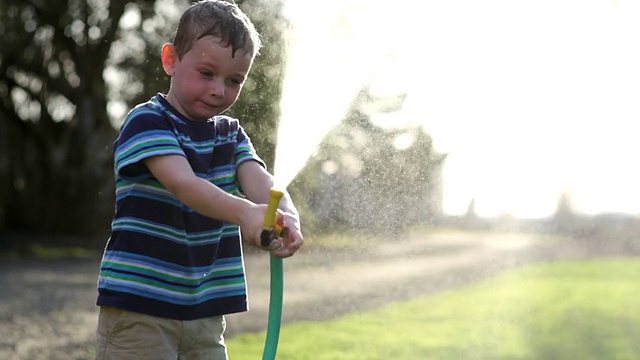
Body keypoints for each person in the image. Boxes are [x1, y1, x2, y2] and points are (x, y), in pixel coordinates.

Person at [94, 1, 304, 359]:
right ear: (171, 59)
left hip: (204, 315)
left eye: (234, 80)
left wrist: (287, 215)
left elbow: (261, 182)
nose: (218, 90)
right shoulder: (148, 122)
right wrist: (245, 214)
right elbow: (184, 184)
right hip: (141, 310)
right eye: (207, 73)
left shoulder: (230, 135)